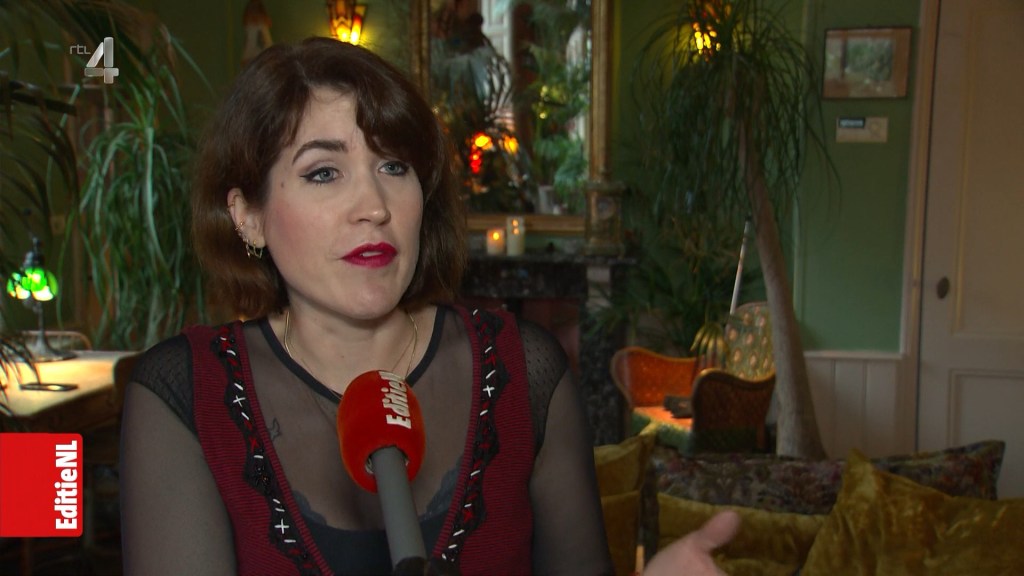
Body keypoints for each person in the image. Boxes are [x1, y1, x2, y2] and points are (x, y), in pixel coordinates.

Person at [119, 36, 612, 575]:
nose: (374, 207)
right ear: (248, 217)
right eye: (323, 172)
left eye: (394, 167)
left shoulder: (525, 371)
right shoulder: (185, 395)